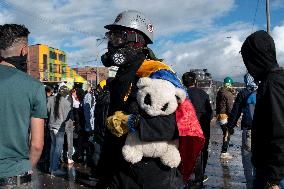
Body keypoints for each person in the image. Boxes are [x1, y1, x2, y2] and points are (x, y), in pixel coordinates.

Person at [95, 10, 204, 189]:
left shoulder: (157, 75)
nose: (112, 44)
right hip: (121, 170)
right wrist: (105, 171)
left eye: (118, 37)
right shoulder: (122, 76)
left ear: (137, 42)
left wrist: (132, 122)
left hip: (152, 174)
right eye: (111, 36)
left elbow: (172, 126)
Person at [0, 24, 47, 187]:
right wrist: (26, 168)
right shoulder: (34, 87)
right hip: (14, 177)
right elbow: (37, 144)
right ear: (24, 51)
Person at [241, 30, 284, 189]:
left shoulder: (272, 84)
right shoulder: (274, 80)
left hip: (273, 173)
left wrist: (274, 179)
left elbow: (280, 131)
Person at [182, 72, 213, 189]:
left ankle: (188, 176)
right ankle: (200, 176)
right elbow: (210, 113)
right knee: (203, 150)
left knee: (188, 151)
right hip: (204, 127)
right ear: (195, 81)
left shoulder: (183, 95)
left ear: (184, 82)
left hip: (189, 127)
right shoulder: (204, 94)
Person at [227, 73, 257, 189]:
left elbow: (236, 111)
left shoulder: (244, 93)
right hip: (265, 132)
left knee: (247, 159)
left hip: (249, 129)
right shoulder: (265, 89)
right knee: (261, 161)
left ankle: (250, 185)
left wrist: (231, 126)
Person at [47, 83, 72, 176]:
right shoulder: (67, 103)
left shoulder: (49, 100)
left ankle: (51, 167)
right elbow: (67, 117)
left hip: (51, 126)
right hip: (60, 128)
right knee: (58, 149)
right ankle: (54, 169)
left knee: (53, 148)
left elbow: (47, 112)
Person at [215, 76, 235, 160]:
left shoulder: (220, 92)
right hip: (224, 116)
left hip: (219, 115)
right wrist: (233, 118)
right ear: (230, 84)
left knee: (227, 132)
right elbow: (230, 108)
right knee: (228, 133)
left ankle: (225, 148)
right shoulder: (228, 94)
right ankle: (224, 152)